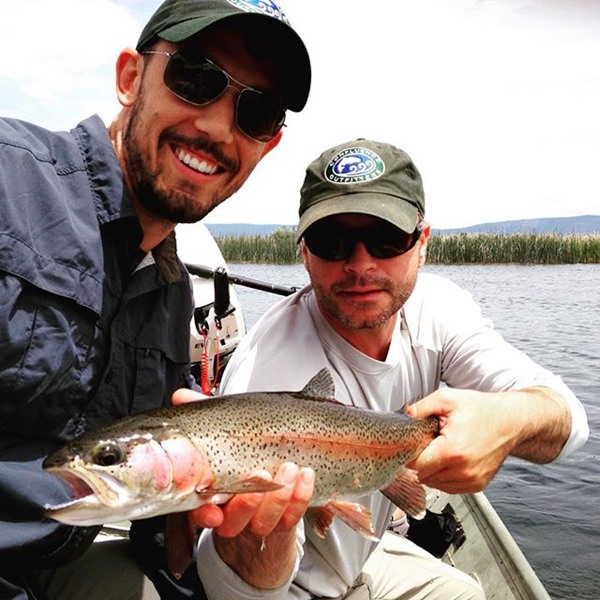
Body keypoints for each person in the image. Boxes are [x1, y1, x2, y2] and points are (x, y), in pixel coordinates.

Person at [184, 138, 589, 599]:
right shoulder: (265, 371)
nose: (360, 263)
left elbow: (569, 420)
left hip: (365, 558)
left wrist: (508, 420)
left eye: (386, 239)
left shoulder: (440, 309)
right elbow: (234, 591)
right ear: (303, 251)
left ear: (422, 242)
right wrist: (267, 535)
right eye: (331, 242)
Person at [0, 1, 311, 598]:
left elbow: (154, 537)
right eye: (196, 77)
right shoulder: (11, 178)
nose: (219, 128)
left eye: (256, 111)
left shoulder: (173, 298)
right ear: (129, 78)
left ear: (266, 146)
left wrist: (245, 553)